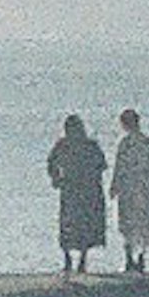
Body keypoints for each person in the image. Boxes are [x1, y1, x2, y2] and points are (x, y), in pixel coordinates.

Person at [46, 114, 109, 274]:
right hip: (84, 190)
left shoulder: (65, 145)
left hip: (74, 189)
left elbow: (51, 163)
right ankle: (79, 260)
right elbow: (101, 165)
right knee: (81, 225)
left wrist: (57, 178)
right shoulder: (88, 145)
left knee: (71, 224)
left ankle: (71, 260)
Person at [111, 107, 149, 274]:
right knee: (143, 223)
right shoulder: (147, 142)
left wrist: (114, 186)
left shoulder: (126, 143)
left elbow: (120, 166)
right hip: (144, 188)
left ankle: (130, 258)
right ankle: (141, 257)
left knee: (128, 223)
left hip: (129, 189)